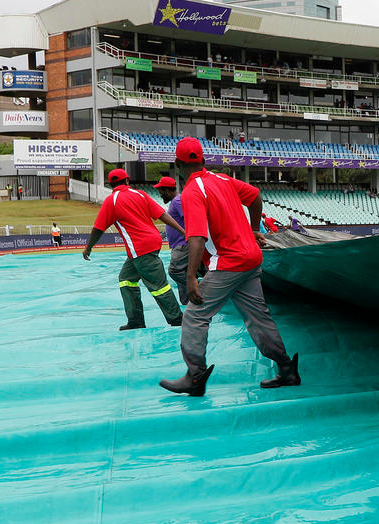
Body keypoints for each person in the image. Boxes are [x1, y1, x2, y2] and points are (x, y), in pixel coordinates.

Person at [158, 137, 299, 396]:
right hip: (251, 258)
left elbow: (198, 238)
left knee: (195, 315)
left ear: (177, 164)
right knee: (258, 317)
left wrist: (191, 278)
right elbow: (255, 196)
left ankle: (195, 376)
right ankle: (287, 368)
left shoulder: (191, 192)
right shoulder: (223, 179)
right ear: (203, 160)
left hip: (228, 262)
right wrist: (254, 228)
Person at [83, 169, 185, 330]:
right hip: (148, 244)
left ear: (111, 184)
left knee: (158, 286)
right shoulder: (141, 194)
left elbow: (98, 228)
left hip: (140, 248)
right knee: (126, 279)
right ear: (127, 181)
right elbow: (162, 215)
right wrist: (182, 230)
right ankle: (135, 320)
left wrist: (88, 248)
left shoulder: (112, 200)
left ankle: (177, 319)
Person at [154, 176, 206, 304]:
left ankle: (201, 288)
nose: (160, 194)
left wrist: (189, 237)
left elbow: (191, 218)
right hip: (181, 244)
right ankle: (188, 301)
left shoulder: (177, 201)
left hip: (183, 245)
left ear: (167, 190)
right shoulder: (176, 201)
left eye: (160, 191)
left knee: (175, 271)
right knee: (185, 272)